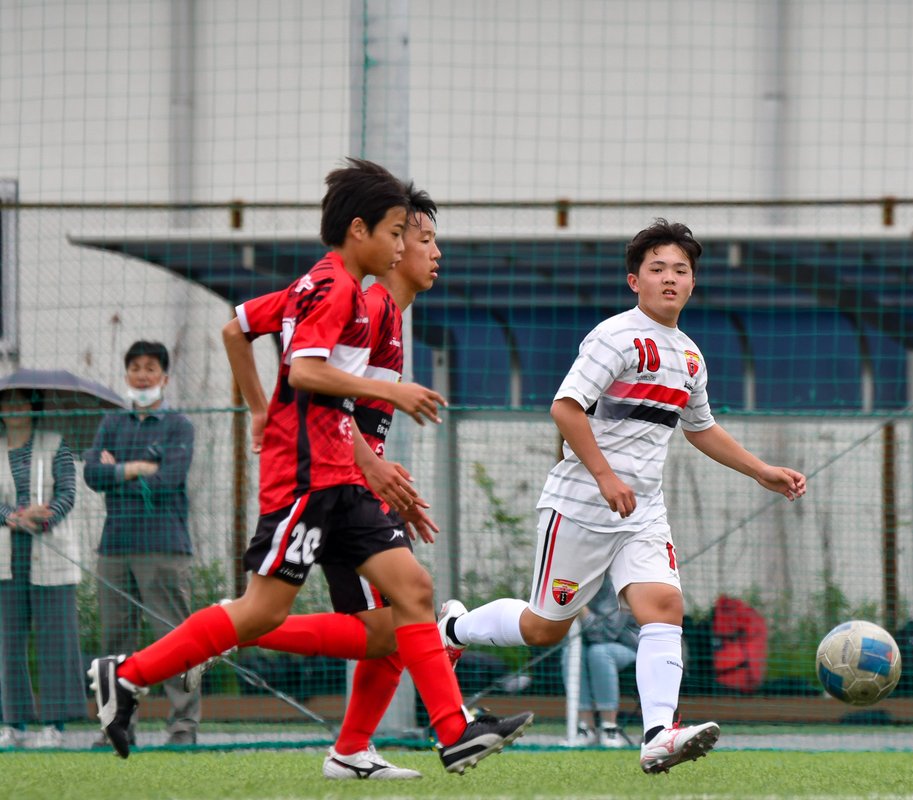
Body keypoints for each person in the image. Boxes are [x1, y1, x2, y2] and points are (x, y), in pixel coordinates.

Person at [89, 159, 531, 773]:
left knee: (410, 600)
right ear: (364, 232)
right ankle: (143, 668)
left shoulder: (351, 295)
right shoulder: (350, 294)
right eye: (406, 232)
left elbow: (239, 329)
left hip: (339, 478)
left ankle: (445, 733)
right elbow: (305, 372)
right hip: (310, 478)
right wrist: (376, 418)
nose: (417, 247)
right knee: (280, 614)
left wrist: (266, 416)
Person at [438, 219, 806, 773]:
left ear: (692, 282)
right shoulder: (614, 337)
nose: (670, 279)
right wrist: (606, 475)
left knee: (664, 607)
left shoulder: (690, 357)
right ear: (634, 280)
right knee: (544, 627)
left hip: (644, 511)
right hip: (582, 505)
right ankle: (452, 629)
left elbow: (700, 427)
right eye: (657, 269)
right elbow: (566, 407)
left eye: (681, 270)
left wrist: (761, 471)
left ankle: (658, 733)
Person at [220, 188, 503, 779]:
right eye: (420, 238)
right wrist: (365, 466)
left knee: (386, 628)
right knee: (405, 613)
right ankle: (451, 728)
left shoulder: (389, 315)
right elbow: (318, 392)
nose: (432, 252)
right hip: (331, 486)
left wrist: (379, 476)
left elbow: (245, 331)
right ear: (388, 244)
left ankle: (352, 746)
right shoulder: (366, 305)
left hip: (352, 485)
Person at [83, 341, 198, 746]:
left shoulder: (179, 426)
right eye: (135, 368)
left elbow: (170, 481)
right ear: (127, 375)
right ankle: (118, 726)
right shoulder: (112, 423)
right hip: (114, 546)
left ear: (164, 377)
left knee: (176, 638)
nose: (143, 375)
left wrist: (119, 473)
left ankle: (184, 726)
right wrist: (138, 469)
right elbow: (91, 475)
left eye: (151, 368)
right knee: (115, 642)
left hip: (164, 546)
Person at [0, 388, 86, 748]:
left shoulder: (56, 443)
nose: (16, 408)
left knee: (56, 641)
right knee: (8, 643)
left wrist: (44, 517)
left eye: (23, 401)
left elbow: (68, 491)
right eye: (9, 401)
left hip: (50, 552)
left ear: (34, 408)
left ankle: (55, 725)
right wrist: (13, 517)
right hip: (7, 553)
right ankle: (13, 724)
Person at [562, 574, 638, 748]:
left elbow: (605, 634)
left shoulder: (616, 582)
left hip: (635, 648)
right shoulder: (573, 579)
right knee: (571, 653)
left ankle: (609, 729)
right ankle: (586, 728)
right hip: (594, 647)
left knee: (599, 652)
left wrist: (579, 605)